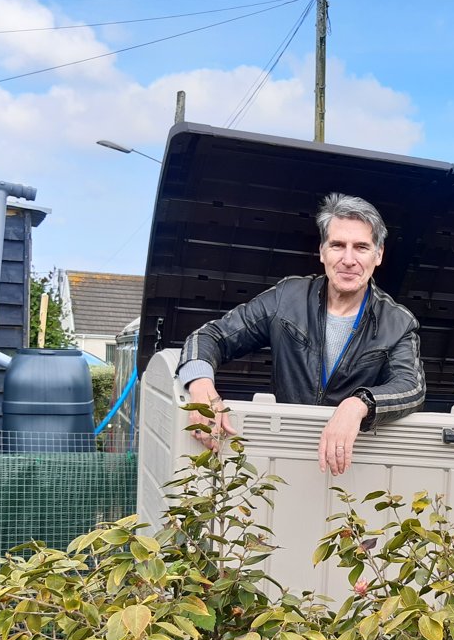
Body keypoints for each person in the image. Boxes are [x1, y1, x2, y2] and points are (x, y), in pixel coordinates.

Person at [177, 193, 425, 475]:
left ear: (378, 255)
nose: (348, 259)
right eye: (337, 245)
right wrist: (200, 386)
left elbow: (411, 387)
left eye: (361, 247)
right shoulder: (287, 297)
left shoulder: (398, 322)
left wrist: (358, 404)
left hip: (354, 467)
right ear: (322, 251)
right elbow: (211, 336)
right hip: (283, 455)